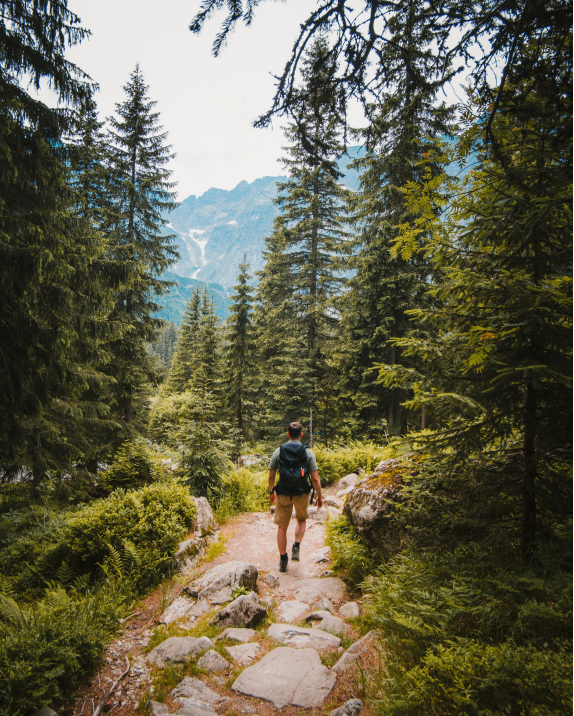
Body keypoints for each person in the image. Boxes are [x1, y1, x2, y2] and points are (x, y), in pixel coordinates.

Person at [268, 421, 323, 572]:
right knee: (301, 519)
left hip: (284, 492)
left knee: (282, 527)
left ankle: (283, 559)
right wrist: (319, 497)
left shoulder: (278, 451)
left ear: (287, 434)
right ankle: (296, 546)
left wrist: (271, 492)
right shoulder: (308, 452)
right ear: (301, 435)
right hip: (301, 492)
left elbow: (271, 475)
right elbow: (315, 478)